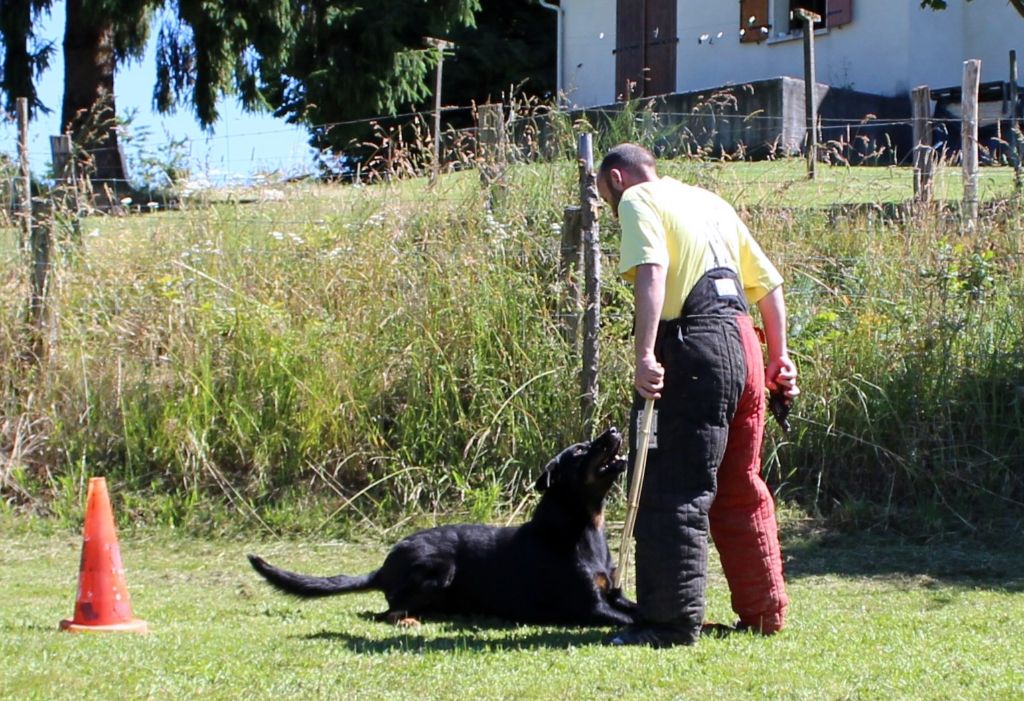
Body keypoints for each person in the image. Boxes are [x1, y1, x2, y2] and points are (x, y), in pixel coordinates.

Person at [596, 143, 799, 647]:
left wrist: (645, 355)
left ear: (618, 178)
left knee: (672, 488)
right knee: (739, 484)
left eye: (606, 199)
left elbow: (652, 269)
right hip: (745, 346)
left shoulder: (637, 200)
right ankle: (763, 614)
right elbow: (767, 285)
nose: (610, 210)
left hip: (694, 351)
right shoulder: (710, 202)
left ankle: (668, 623)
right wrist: (779, 357)